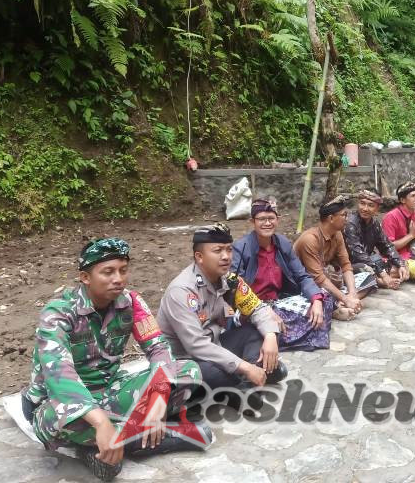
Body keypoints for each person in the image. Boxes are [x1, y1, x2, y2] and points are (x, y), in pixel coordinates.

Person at [23, 238, 207, 481]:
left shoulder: (131, 302)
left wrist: (159, 398)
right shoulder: (58, 313)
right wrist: (100, 423)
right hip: (60, 402)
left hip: (109, 389)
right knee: (56, 421)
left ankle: (112, 445)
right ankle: (142, 437)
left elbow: (159, 349)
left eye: (123, 270)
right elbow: (59, 374)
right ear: (85, 277)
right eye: (108, 272)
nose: (118, 279)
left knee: (188, 371)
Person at [158, 225, 286, 395]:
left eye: (229, 249)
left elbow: (257, 308)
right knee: (214, 374)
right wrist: (244, 366)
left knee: (260, 331)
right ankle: (249, 380)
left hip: (215, 345)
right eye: (218, 251)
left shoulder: (229, 279)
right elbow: (196, 346)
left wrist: (270, 336)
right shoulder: (182, 291)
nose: (226, 257)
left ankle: (246, 385)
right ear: (199, 257)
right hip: (185, 360)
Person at [231, 198, 331, 352]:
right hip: (254, 306)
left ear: (278, 220)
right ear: (252, 222)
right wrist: (263, 311)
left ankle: (278, 336)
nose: (267, 223)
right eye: (262, 219)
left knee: (324, 296)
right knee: (263, 322)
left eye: (271, 218)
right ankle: (290, 334)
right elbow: (235, 288)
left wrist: (316, 300)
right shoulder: (241, 248)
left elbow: (302, 276)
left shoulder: (282, 244)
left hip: (279, 301)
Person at [293, 195, 365, 320]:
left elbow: (346, 265)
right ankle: (335, 308)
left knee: (368, 276)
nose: (347, 219)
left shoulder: (337, 234)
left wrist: (351, 294)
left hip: (327, 280)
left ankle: (341, 303)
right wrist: (344, 298)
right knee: (318, 294)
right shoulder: (309, 239)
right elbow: (318, 278)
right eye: (343, 215)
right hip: (306, 285)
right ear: (331, 218)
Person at [344, 189, 409, 290]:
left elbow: (387, 246)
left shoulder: (375, 224)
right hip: (349, 265)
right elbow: (358, 255)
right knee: (366, 268)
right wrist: (383, 275)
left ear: (377, 208)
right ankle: (380, 281)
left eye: (370, 205)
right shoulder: (350, 223)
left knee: (401, 265)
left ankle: (382, 280)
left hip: (369, 262)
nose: (365, 209)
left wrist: (400, 264)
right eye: (362, 203)